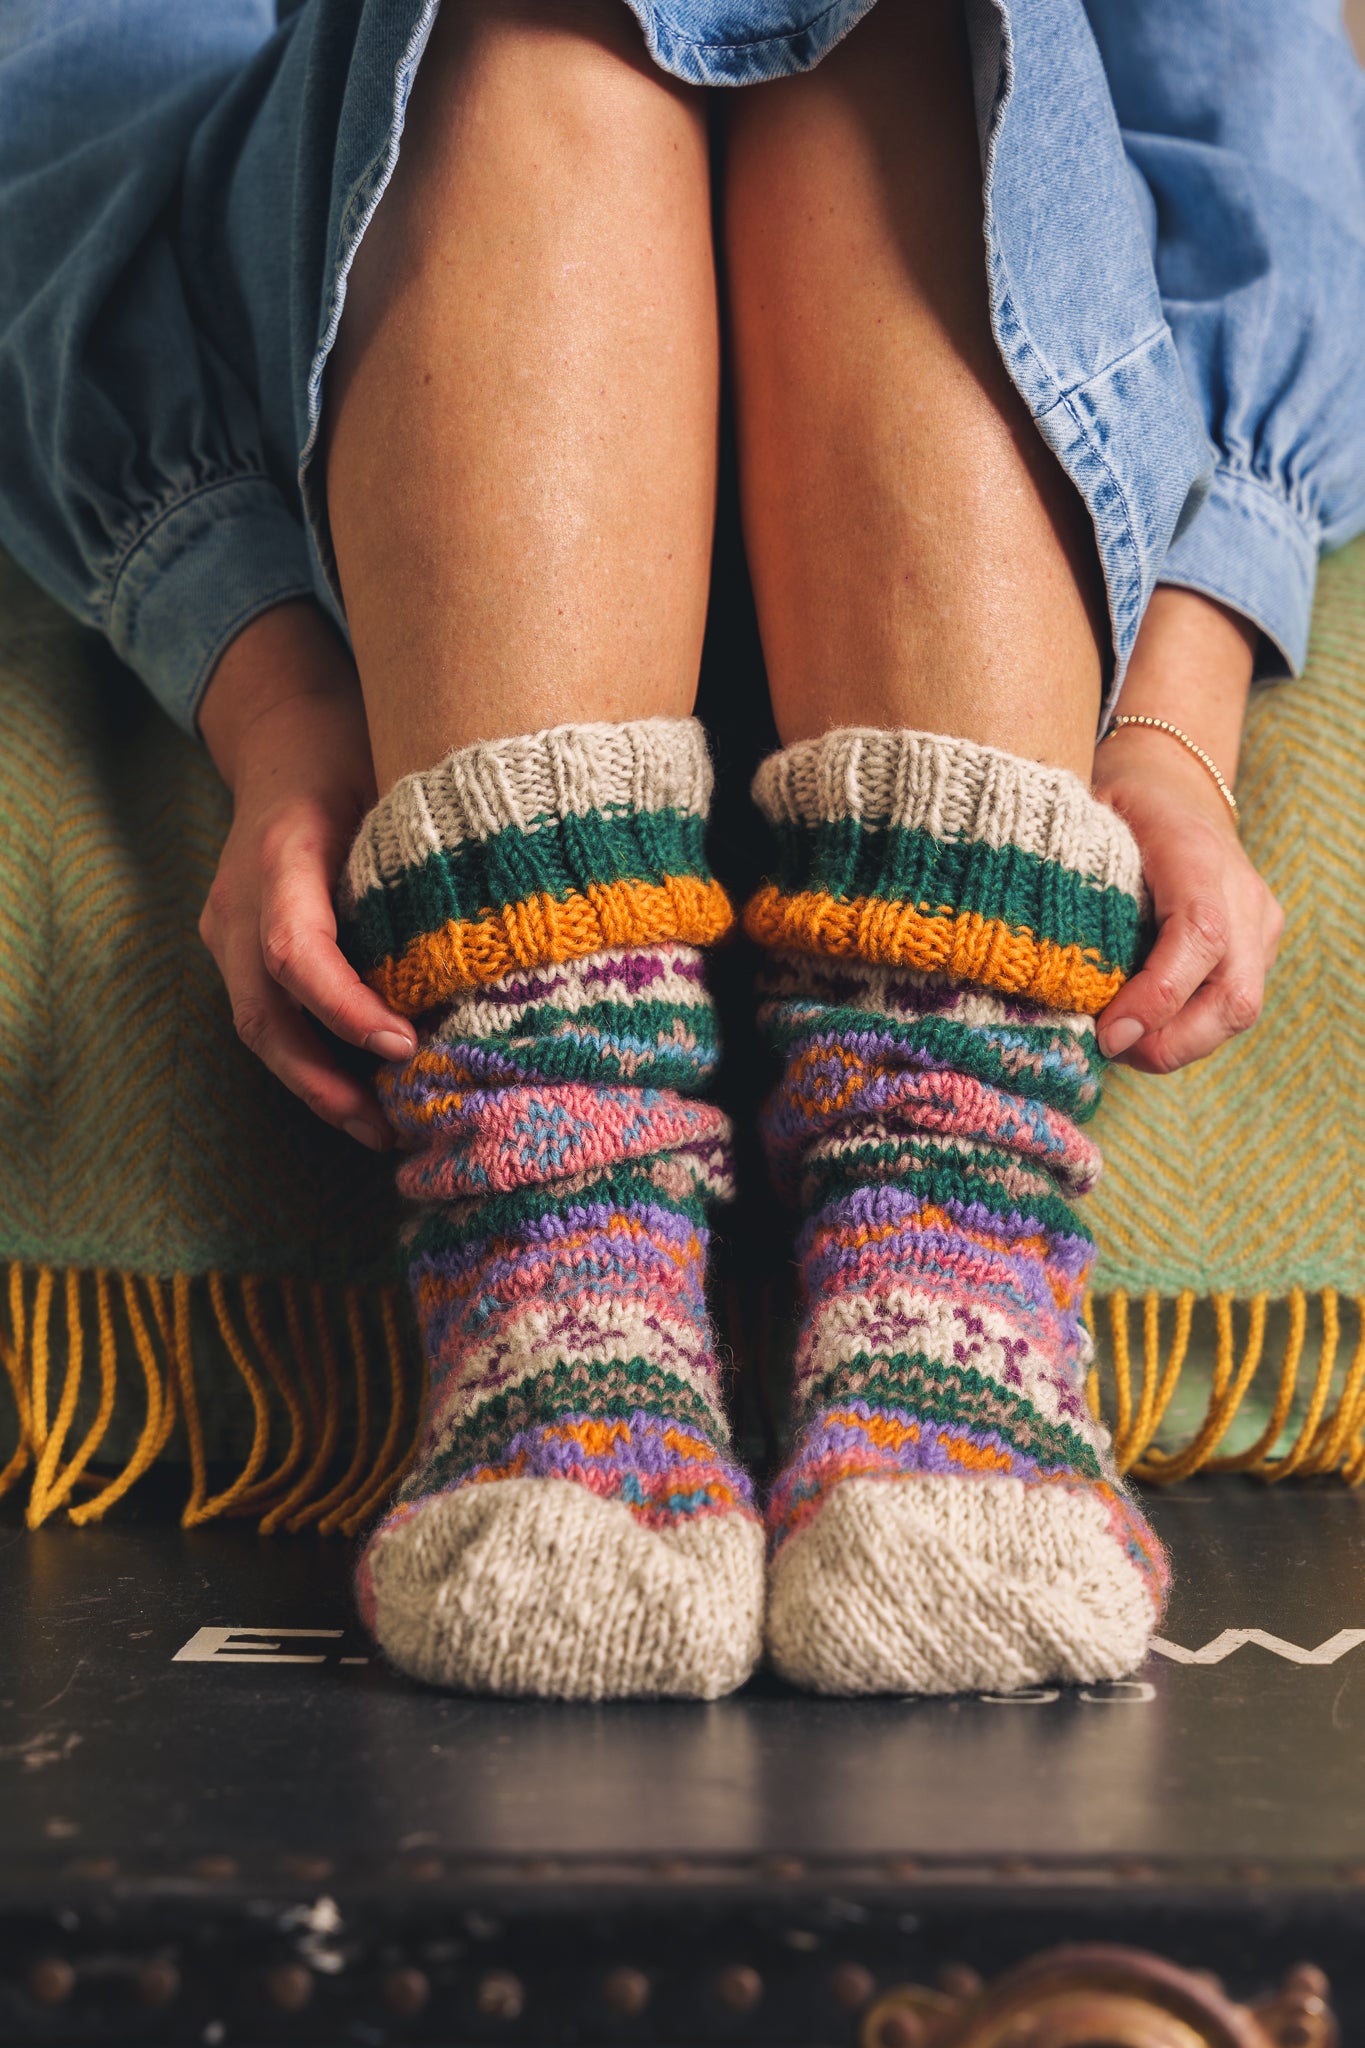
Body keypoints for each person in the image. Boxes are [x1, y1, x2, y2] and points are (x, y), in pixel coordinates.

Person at [1, 0, 1362, 1701]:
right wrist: (270, 682)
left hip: (950, 337)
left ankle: (938, 1235)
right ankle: (569, 1271)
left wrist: (1175, 696)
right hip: (425, 374)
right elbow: (69, 94)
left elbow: (1247, 105)